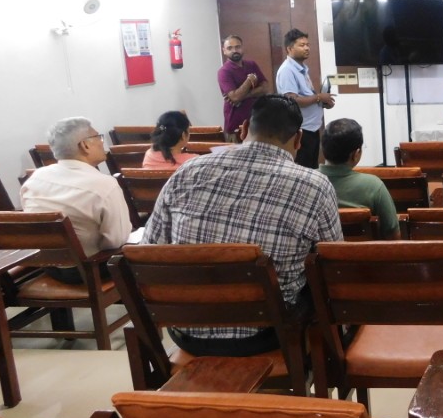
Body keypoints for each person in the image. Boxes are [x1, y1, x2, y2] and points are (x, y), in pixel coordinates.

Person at [142, 94, 342, 356]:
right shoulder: (314, 185)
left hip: (186, 331)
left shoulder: (189, 170)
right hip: (266, 334)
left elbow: (150, 248)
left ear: (245, 128)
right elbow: (333, 261)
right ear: (298, 139)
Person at [20, 117, 132, 282]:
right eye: (98, 138)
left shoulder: (36, 177)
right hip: (91, 270)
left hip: (49, 268)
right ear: (85, 145)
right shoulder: (104, 185)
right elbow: (116, 241)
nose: (102, 143)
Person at [319, 118, 400, 239]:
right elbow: (393, 234)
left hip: (320, 250)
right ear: (356, 154)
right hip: (366, 251)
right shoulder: (373, 185)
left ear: (323, 149)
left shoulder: (307, 182)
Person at [275, 28, 335, 168]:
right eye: (302, 45)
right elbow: (292, 100)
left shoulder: (301, 68)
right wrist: (319, 97)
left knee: (312, 167)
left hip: (311, 128)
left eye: (307, 44)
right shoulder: (287, 70)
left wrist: (323, 102)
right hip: (301, 130)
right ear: (289, 49)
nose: (307, 48)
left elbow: (307, 95)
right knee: (303, 169)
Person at [216, 34, 268, 142]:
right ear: (224, 51)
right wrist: (249, 80)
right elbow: (235, 97)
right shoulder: (224, 71)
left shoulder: (251, 64)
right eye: (230, 48)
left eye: (237, 47)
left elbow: (265, 87)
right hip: (235, 128)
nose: (234, 50)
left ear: (242, 48)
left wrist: (246, 95)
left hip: (256, 124)